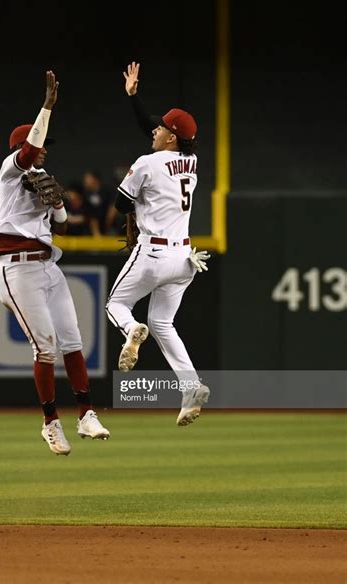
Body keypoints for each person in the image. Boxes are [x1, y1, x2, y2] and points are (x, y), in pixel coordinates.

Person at [0, 71, 109, 456]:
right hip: (16, 269)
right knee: (46, 349)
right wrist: (47, 106)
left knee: (73, 341)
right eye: (39, 145)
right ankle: (50, 422)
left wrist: (57, 203)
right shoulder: (12, 169)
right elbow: (26, 152)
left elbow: (62, 226)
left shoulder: (41, 176)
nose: (43, 151)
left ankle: (86, 413)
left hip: (47, 267)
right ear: (23, 145)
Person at [106, 62, 211, 427]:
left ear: (170, 137)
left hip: (153, 252)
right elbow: (152, 129)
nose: (156, 128)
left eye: (162, 126)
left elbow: (120, 204)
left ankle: (130, 330)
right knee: (164, 323)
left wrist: (138, 204)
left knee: (117, 303)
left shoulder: (147, 163)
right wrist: (134, 98)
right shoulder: (191, 160)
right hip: (185, 259)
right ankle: (192, 386)